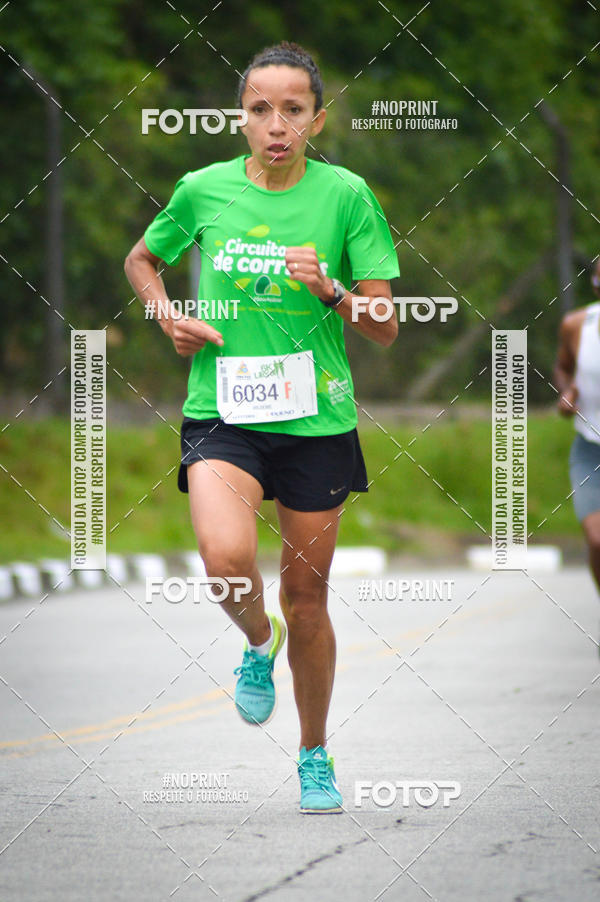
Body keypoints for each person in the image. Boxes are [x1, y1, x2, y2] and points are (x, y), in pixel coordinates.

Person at [124, 41, 400, 812]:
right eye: (260, 109)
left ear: (318, 119)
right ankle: (256, 640)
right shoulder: (202, 190)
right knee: (225, 561)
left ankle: (314, 754)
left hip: (317, 419)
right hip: (225, 412)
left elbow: (385, 326)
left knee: (306, 599)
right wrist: (167, 316)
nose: (277, 125)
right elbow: (142, 260)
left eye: (294, 110)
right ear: (240, 118)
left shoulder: (347, 196)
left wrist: (333, 291)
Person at [555, 258, 600, 647]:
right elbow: (563, 368)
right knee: (597, 539)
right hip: (589, 446)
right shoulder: (576, 326)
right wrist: (568, 391)